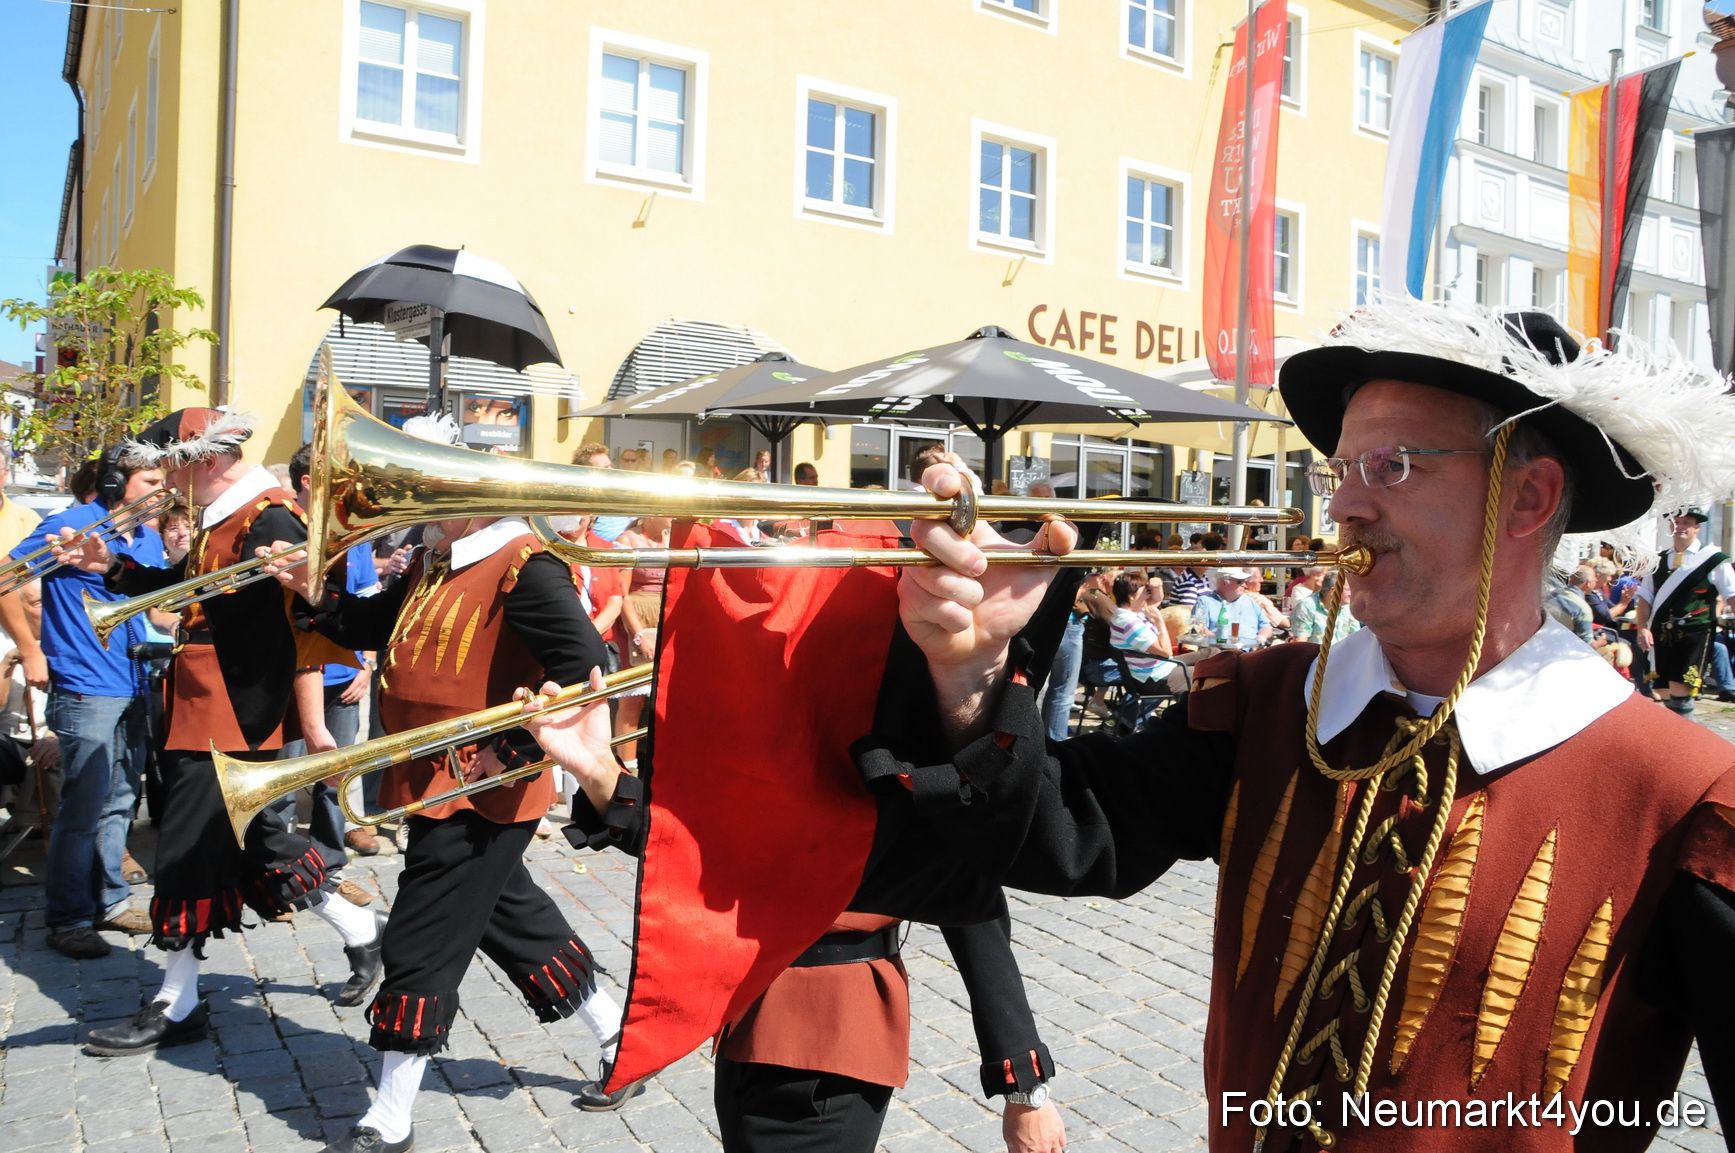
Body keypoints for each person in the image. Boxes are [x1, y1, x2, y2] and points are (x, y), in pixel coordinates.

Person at [864, 302, 1735, 1151]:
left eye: (1391, 466)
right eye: (1339, 471)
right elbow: (1051, 836)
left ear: (1528, 497)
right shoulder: (1267, 702)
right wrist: (968, 669)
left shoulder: (1685, 794)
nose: (1343, 508)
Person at [519, 675, 1067, 1153]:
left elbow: (973, 908)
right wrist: (599, 773)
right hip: (749, 1020)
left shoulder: (906, 709)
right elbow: (702, 850)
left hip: (827, 1034)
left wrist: (1025, 1087)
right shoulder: (773, 701)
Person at [285, 444, 625, 1152]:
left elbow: (592, 667)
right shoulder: (438, 560)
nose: (416, 509)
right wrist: (313, 591)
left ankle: (391, 1111)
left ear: (478, 505)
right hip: (428, 779)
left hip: (481, 789)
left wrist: (522, 747)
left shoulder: (529, 568)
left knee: (420, 939)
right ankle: (620, 1030)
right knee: (513, 919)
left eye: (430, 494)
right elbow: (369, 627)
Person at [55, 409, 381, 1058]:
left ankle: (176, 1002)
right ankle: (362, 931)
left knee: (183, 851)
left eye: (171, 464)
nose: (166, 479)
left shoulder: (270, 515)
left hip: (233, 712)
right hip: (202, 702)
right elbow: (190, 589)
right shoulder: (225, 514)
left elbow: (307, 614)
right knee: (260, 844)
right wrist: (113, 569)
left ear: (202, 458)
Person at [8, 450, 166, 958]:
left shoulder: (146, 536)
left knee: (122, 798)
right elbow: (7, 577)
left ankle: (112, 903)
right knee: (82, 807)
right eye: (152, 480)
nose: (164, 490)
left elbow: (157, 607)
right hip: (85, 682)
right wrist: (32, 650)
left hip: (136, 678)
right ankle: (69, 917)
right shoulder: (75, 522)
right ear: (119, 482)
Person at [288, 443, 382, 856]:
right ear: (309, 482)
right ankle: (283, 864)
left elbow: (367, 598)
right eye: (339, 479)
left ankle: (329, 860)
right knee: (287, 776)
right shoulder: (285, 527)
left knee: (336, 772)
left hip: (344, 672)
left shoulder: (352, 532)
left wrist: (367, 664)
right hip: (294, 676)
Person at [1635, 507, 1735, 714]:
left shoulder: (1713, 559)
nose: (1680, 527)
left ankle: (1686, 741)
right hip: (1661, 633)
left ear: (1697, 528)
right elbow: (1645, 598)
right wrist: (1642, 628)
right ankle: (1674, 739)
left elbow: (1731, 594)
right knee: (1663, 691)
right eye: (1676, 522)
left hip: (1696, 632)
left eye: (1686, 523)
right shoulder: (1658, 560)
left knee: (1683, 690)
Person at [1189, 567, 1271, 648]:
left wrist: (1260, 639)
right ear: (1224, 582)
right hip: (1220, 652)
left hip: (1253, 652)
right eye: (1240, 581)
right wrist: (1224, 643)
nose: (1244, 585)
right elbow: (1199, 630)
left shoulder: (1250, 601)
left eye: (1245, 581)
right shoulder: (1205, 602)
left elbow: (1266, 626)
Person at [1545, 566, 1597, 644]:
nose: (1596, 580)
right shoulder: (1582, 609)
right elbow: (1587, 644)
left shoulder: (1554, 593)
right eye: (1595, 579)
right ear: (1588, 583)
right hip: (1562, 648)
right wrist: (1600, 642)